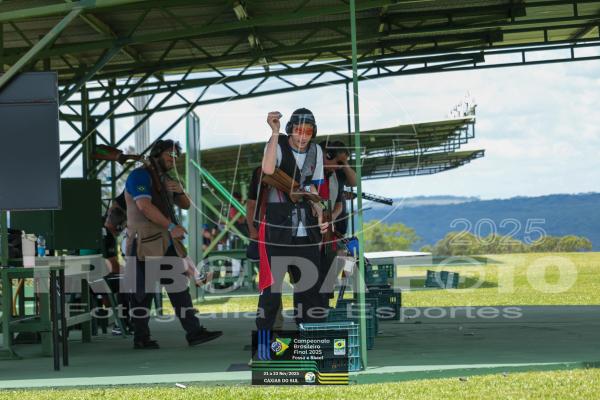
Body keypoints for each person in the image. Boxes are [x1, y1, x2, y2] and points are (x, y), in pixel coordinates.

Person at [124, 139, 222, 349]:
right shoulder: (139, 175)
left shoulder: (164, 178)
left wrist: (179, 189)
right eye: (170, 154)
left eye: (176, 155)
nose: (173, 159)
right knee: (143, 293)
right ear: (157, 153)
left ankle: (194, 332)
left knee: (178, 288)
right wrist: (171, 226)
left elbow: (185, 204)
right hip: (144, 242)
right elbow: (144, 207)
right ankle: (141, 337)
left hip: (164, 241)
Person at [255, 108, 329, 331]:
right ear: (290, 129)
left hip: (307, 230)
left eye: (308, 131)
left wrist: (320, 212)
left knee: (310, 288)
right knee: (271, 291)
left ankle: (310, 338)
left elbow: (313, 187)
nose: (303, 136)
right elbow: (268, 169)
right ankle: (264, 343)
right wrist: (274, 132)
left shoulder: (316, 151)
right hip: (278, 228)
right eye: (298, 130)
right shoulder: (276, 144)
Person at [319, 140, 357, 236]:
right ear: (328, 155)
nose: (340, 166)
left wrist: (331, 218)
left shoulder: (336, 175)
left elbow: (355, 182)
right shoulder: (310, 170)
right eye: (339, 162)